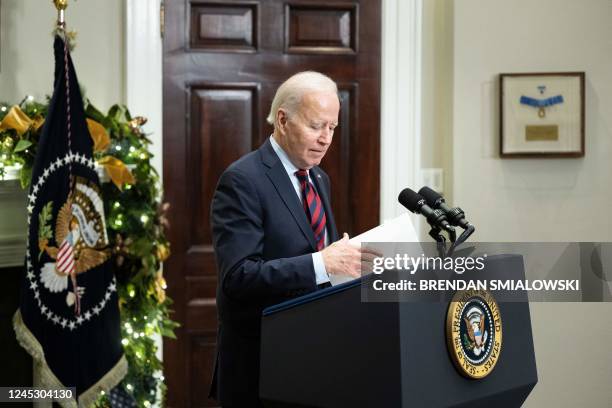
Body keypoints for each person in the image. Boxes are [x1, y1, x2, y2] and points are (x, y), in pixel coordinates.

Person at [209, 71, 373, 407]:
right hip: (260, 367)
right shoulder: (242, 180)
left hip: (315, 360)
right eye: (316, 126)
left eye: (332, 128)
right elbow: (238, 277)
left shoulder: (319, 179)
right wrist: (321, 263)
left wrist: (347, 267)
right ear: (283, 120)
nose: (326, 138)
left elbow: (319, 261)